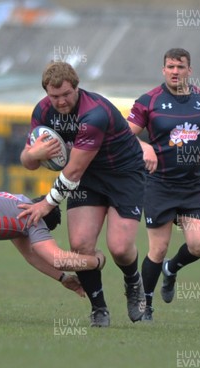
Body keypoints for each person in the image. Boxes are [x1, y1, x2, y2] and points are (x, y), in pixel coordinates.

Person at [18, 61, 146, 327]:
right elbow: (28, 162)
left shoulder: (93, 114)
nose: (61, 101)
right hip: (87, 180)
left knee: (120, 249)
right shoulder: (42, 111)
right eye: (54, 96)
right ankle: (98, 307)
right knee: (80, 246)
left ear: (77, 87)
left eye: (66, 94)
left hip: (123, 176)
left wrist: (46, 205)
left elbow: (73, 171)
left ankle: (133, 282)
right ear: (46, 93)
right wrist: (33, 154)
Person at [127, 48, 200, 321]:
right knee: (157, 249)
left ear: (189, 70)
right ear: (163, 70)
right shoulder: (149, 101)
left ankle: (171, 269)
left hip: (191, 186)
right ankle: (145, 304)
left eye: (180, 67)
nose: (174, 71)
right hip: (158, 184)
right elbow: (124, 135)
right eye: (170, 66)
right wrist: (144, 145)